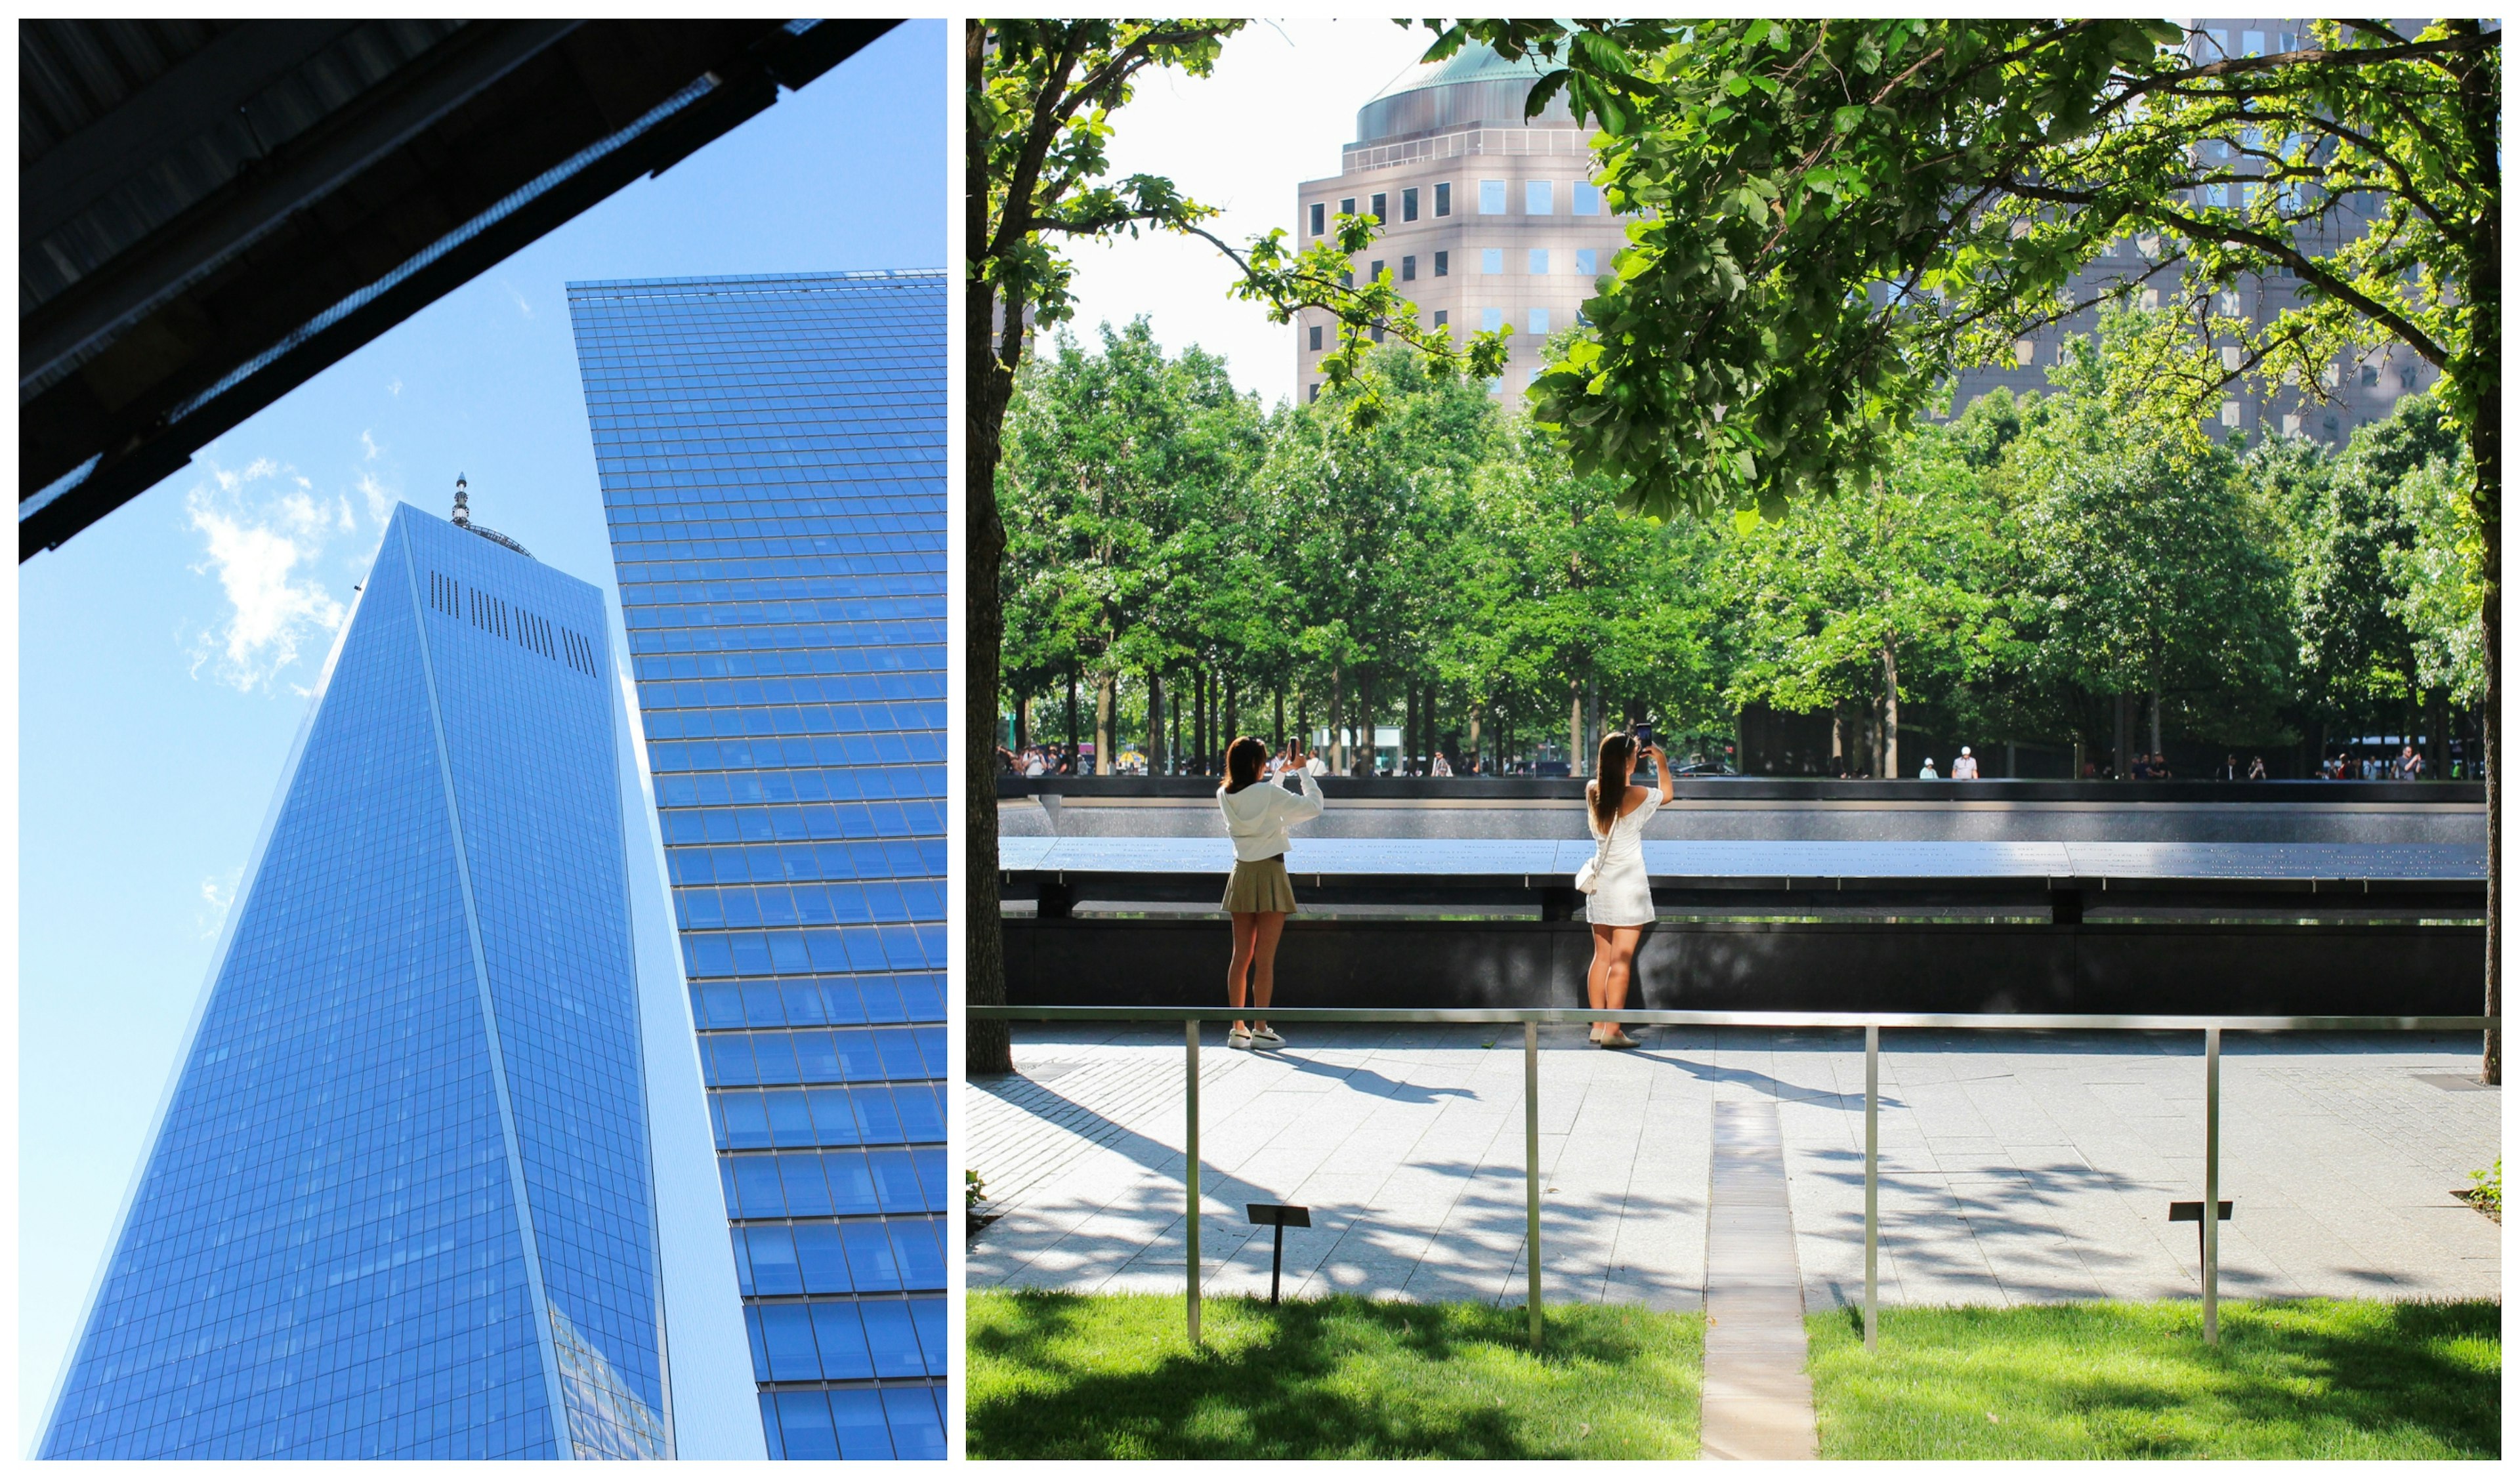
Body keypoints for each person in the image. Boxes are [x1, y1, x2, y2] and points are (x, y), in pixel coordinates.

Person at [1219, 736, 1324, 1049]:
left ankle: (1238, 1029)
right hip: (1271, 874)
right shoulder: (1268, 794)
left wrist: (1280, 772)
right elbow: (1313, 807)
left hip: (1242, 874)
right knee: (1265, 959)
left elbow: (1262, 799)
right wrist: (1302, 771)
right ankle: (1261, 1028)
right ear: (1255, 765)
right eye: (1264, 761)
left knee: (1241, 956)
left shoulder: (1223, 795)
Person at [1580, 730, 1671, 1049]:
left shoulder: (1592, 790)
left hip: (1601, 885)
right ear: (1629, 760)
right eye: (1634, 754)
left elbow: (1607, 784)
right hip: (1628, 887)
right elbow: (1668, 794)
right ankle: (1614, 1031)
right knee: (1621, 961)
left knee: (1601, 957)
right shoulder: (1639, 795)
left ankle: (1598, 1025)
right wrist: (1660, 760)